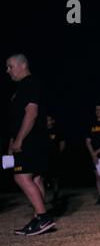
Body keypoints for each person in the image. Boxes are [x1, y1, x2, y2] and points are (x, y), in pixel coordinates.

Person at [7, 54, 55, 236]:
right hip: (31, 139)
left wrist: (19, 139)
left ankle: (43, 217)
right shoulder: (22, 87)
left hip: (31, 139)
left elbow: (31, 113)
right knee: (35, 178)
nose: (8, 71)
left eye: (10, 66)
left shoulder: (30, 83)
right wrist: (12, 140)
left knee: (21, 177)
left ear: (23, 65)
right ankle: (39, 219)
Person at [45, 115, 66, 203]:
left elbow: (62, 143)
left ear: (53, 121)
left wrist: (59, 154)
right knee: (43, 177)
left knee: (55, 178)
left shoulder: (57, 131)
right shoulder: (42, 131)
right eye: (46, 120)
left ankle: (55, 196)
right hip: (44, 157)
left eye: (49, 120)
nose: (47, 122)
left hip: (55, 157)